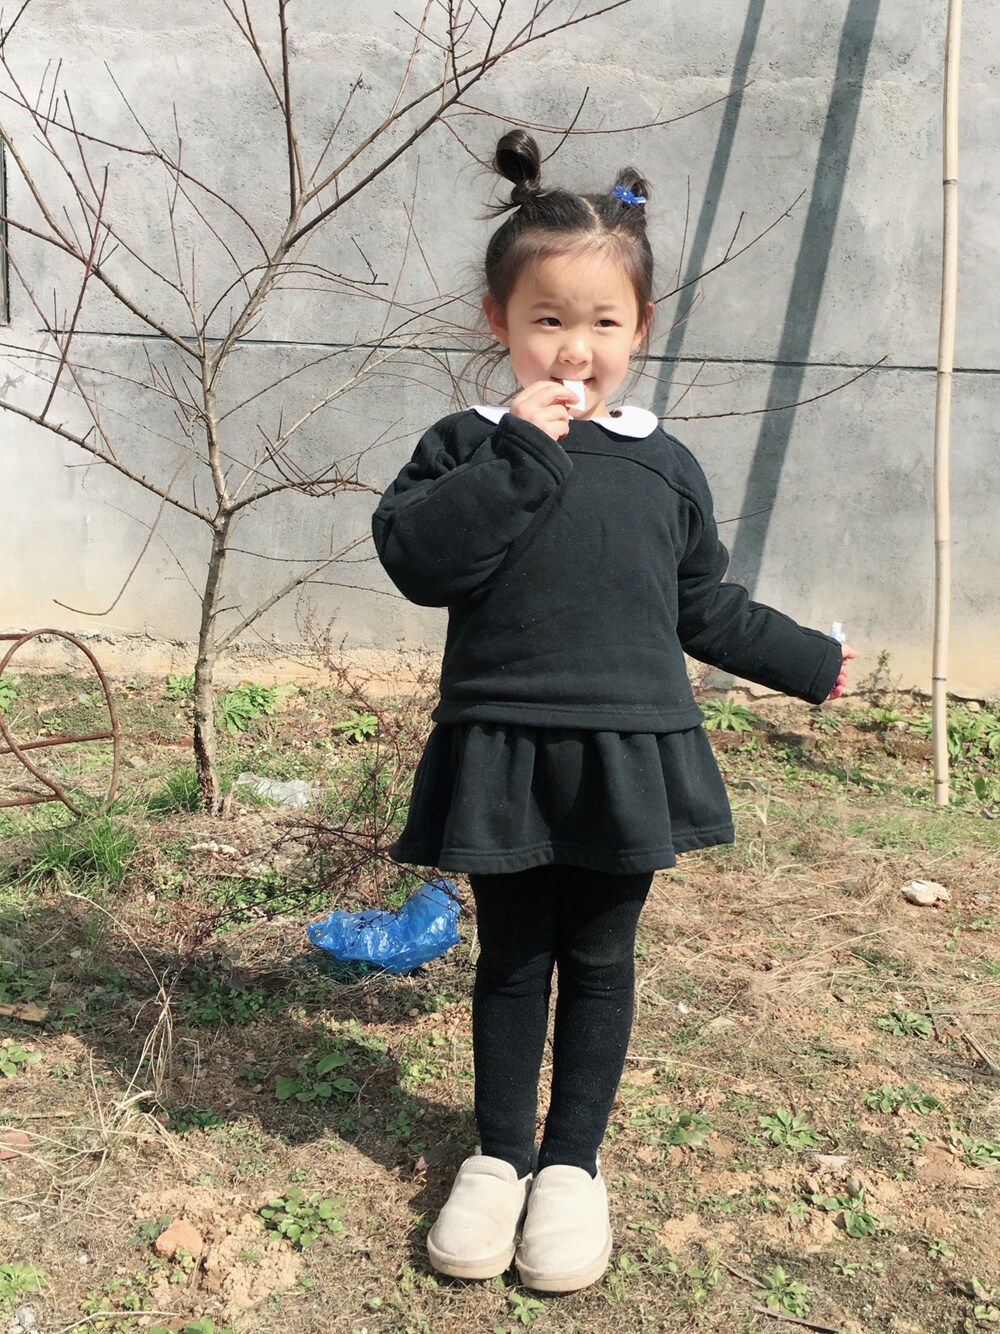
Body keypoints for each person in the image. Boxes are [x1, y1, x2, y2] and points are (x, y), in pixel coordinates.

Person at [372, 129, 857, 1294]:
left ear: (639, 328)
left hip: (626, 750)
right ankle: (497, 1156)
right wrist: (516, 456)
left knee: (598, 957)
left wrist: (808, 660)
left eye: (601, 322)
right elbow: (419, 559)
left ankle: (571, 1167)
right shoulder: (466, 444)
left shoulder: (663, 464)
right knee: (510, 957)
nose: (573, 347)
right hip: (502, 745)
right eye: (546, 319)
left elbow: (701, 604)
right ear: (498, 320)